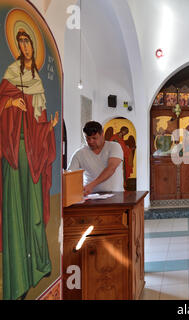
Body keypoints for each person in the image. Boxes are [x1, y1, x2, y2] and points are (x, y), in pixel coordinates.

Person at [0, 29, 59, 300]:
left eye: (28, 42)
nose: (25, 46)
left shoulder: (37, 79)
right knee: (16, 211)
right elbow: (4, 102)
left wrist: (50, 128)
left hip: (34, 154)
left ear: (33, 47)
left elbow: (39, 121)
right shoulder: (11, 73)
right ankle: (18, 277)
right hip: (15, 150)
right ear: (17, 45)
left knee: (35, 212)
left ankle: (37, 265)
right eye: (21, 41)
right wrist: (12, 101)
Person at [68, 121, 124, 195]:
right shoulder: (79, 153)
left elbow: (111, 168)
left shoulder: (114, 147)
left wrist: (92, 185)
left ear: (102, 134)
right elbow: (70, 176)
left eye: (94, 138)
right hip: (91, 196)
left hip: (116, 195)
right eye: (87, 138)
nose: (91, 141)